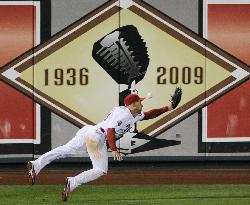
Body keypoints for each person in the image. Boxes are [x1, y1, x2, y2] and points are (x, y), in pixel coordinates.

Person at [27, 92, 180, 201]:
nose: (142, 103)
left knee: (67, 149)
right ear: (133, 104)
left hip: (90, 130)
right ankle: (73, 181)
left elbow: (151, 113)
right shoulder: (123, 114)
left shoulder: (134, 114)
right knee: (100, 169)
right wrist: (113, 149)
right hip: (97, 136)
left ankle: (36, 164)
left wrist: (169, 107)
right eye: (139, 101)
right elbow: (111, 131)